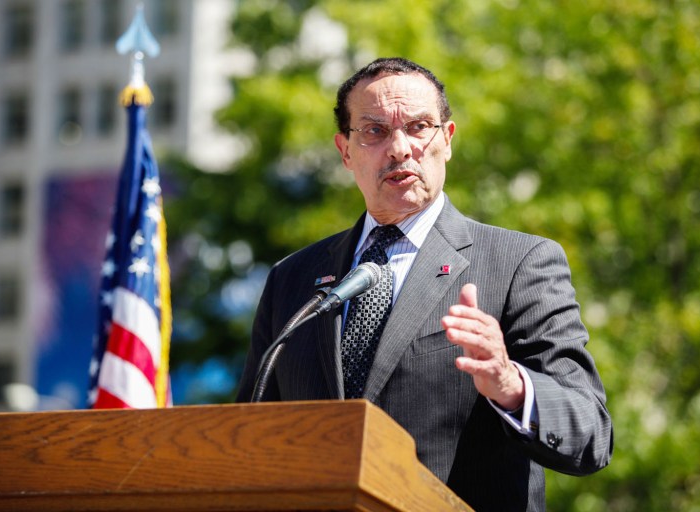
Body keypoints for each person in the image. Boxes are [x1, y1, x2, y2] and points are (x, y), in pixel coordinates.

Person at [236, 57, 613, 511]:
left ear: (447, 140)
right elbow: (251, 438)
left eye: (418, 128)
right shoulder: (292, 279)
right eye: (374, 131)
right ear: (345, 151)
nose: (399, 148)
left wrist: (509, 382)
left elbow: (589, 434)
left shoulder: (519, 263)